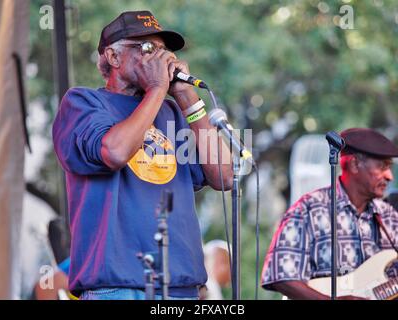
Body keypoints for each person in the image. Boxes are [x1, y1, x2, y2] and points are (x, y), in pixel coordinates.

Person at [52, 10, 233, 300]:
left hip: (183, 289)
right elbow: (115, 151)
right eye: (147, 49)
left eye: (164, 51)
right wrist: (159, 88)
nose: (161, 60)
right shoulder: (83, 102)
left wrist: (187, 98)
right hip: (118, 287)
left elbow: (224, 176)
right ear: (113, 57)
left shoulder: (172, 113)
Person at [261, 128, 398, 300]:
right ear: (355, 164)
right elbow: (281, 276)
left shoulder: (388, 215)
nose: (389, 176)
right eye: (382, 167)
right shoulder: (308, 208)